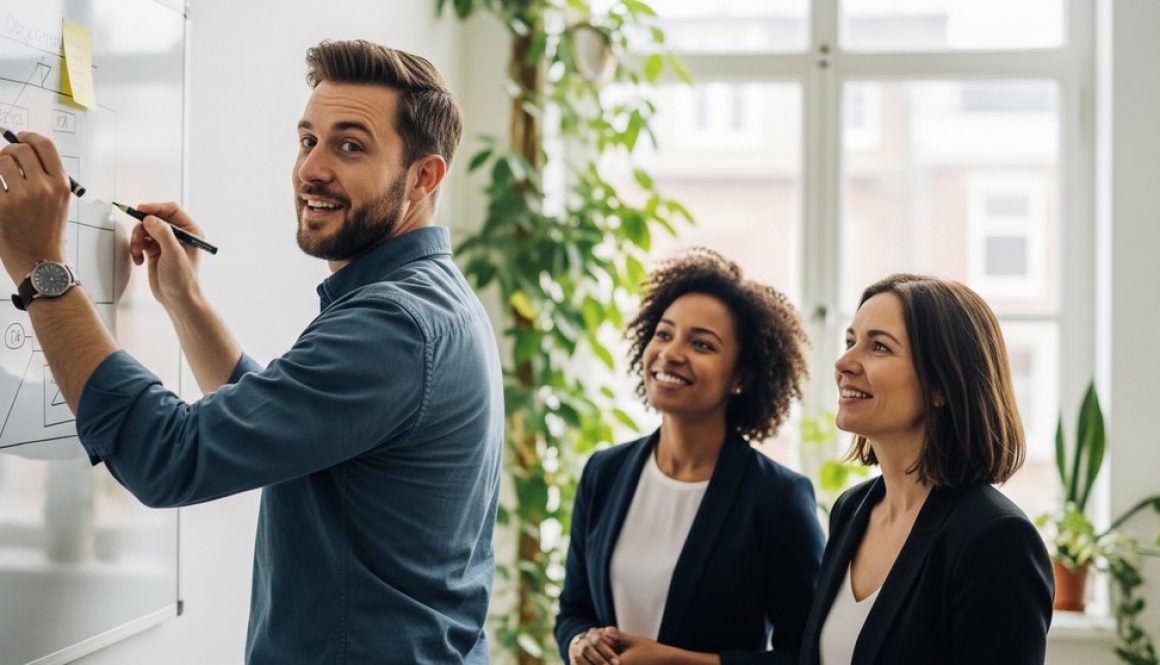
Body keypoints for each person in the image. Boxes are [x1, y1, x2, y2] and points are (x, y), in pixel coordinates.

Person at [0, 40, 503, 664]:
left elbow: (168, 457)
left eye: (350, 145)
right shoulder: (428, 300)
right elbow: (287, 424)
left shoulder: (395, 324)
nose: (311, 170)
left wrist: (41, 267)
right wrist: (185, 302)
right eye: (306, 140)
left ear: (423, 177)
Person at [556, 248, 825, 665]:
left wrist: (676, 661)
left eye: (702, 344)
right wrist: (579, 643)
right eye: (663, 334)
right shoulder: (604, 472)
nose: (671, 352)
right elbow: (573, 610)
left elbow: (805, 656)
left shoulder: (777, 498)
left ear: (741, 377)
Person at [797, 274, 1054, 665]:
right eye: (851, 341)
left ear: (941, 386)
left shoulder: (995, 538)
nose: (844, 362)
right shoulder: (851, 510)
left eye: (879, 347)